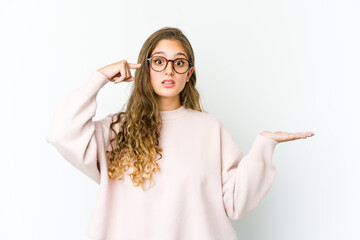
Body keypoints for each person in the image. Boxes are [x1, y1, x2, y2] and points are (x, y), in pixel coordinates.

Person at [46, 27, 315, 240]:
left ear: (189, 73)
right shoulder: (116, 129)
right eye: (159, 62)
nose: (169, 70)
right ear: (145, 69)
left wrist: (263, 147)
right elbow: (62, 134)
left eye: (179, 63)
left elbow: (236, 204)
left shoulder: (210, 129)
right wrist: (99, 78)